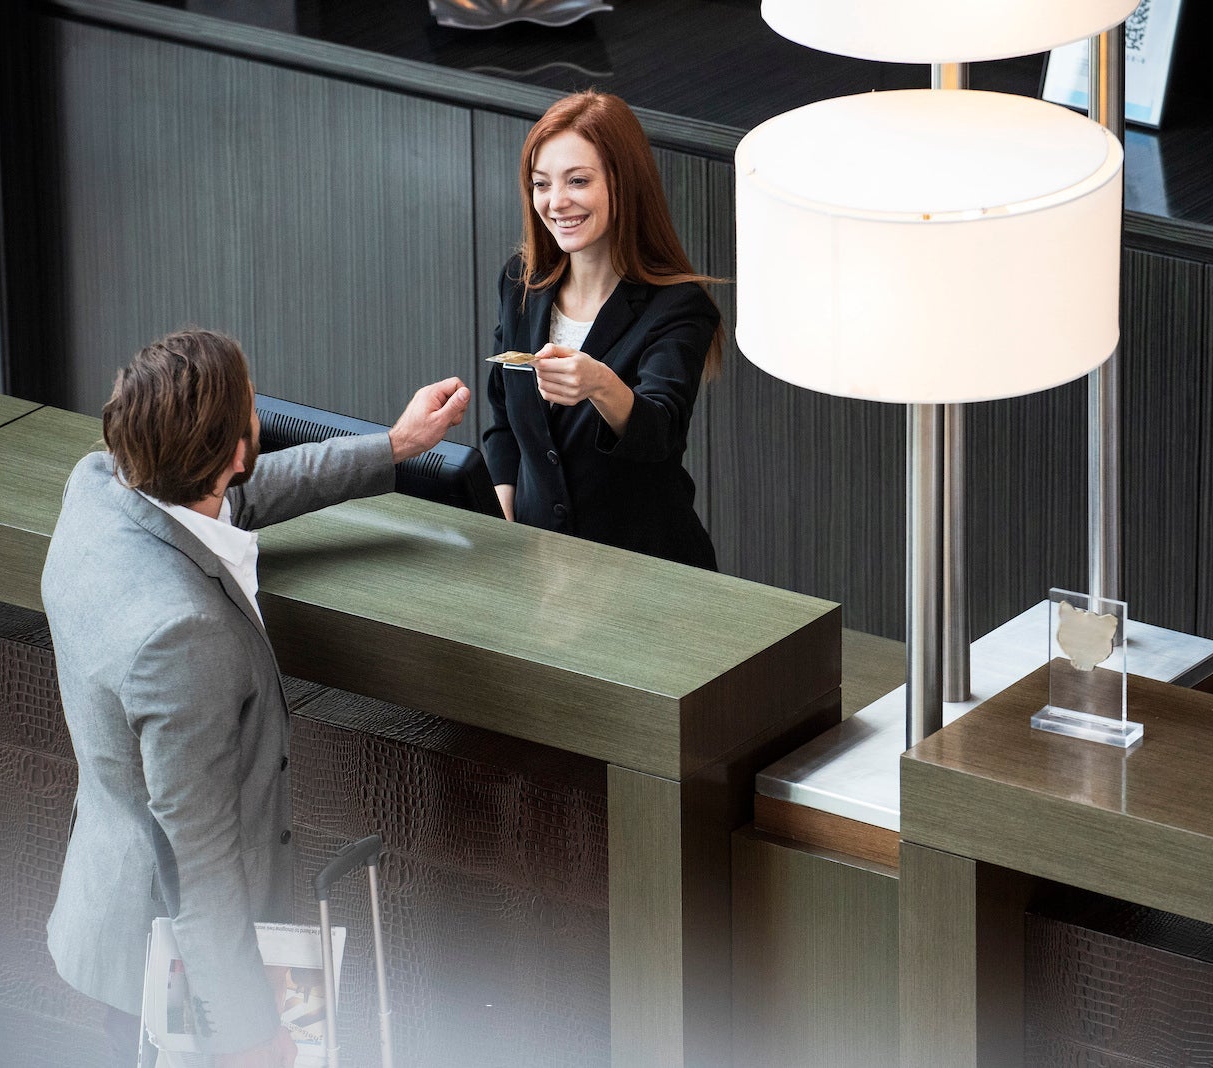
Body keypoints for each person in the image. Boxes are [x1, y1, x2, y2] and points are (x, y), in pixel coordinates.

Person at [41, 329, 470, 1068]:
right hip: (184, 962)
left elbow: (241, 498)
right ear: (237, 450)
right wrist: (246, 1032)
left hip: (110, 912)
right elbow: (197, 860)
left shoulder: (99, 486)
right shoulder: (183, 637)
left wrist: (395, 445)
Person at [483, 90, 722, 569]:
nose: (556, 202)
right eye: (541, 184)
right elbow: (504, 420)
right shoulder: (520, 282)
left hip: (646, 573)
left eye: (578, 181)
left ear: (623, 182)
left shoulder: (679, 307)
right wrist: (502, 507)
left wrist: (600, 384)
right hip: (538, 569)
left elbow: (661, 434)